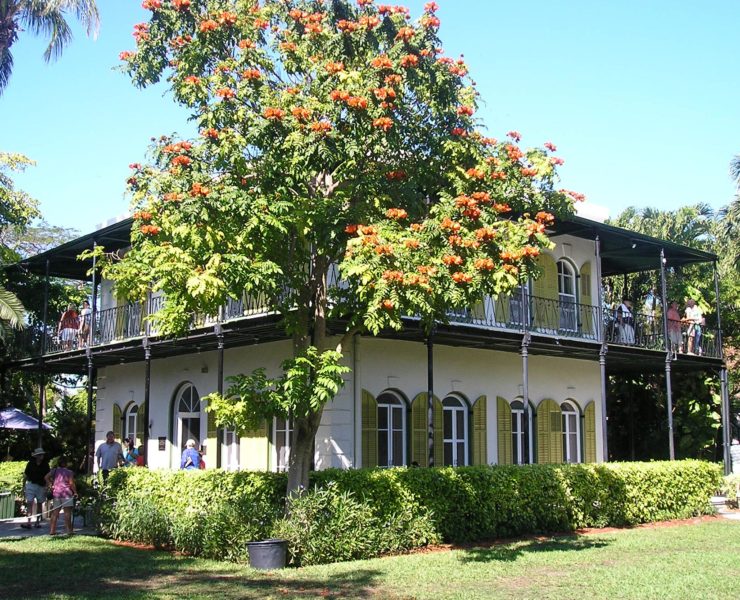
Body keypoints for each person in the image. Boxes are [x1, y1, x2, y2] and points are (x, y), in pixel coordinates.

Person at [45, 456, 77, 536]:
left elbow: (46, 477)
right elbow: (71, 483)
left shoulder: (54, 471)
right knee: (67, 513)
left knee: (55, 513)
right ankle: (69, 530)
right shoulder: (69, 472)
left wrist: (50, 484)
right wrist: (75, 492)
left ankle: (52, 530)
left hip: (56, 493)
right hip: (66, 493)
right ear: (66, 463)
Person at [20, 447, 50, 529]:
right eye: (40, 455)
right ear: (36, 456)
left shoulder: (45, 464)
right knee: (29, 502)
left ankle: (37, 522)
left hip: (41, 485)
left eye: (42, 455)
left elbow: (48, 476)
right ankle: (28, 522)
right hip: (31, 484)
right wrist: (23, 487)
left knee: (40, 503)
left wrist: (47, 487)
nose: (42, 456)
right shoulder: (30, 463)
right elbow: (25, 475)